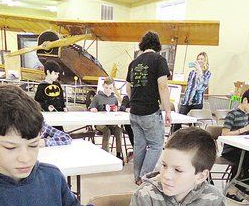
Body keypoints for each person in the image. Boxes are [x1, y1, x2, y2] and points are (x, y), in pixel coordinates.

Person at [126, 31, 172, 184]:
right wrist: (167, 111)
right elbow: (163, 86)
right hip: (150, 111)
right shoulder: (159, 60)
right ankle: (145, 179)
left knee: (139, 145)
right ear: (157, 45)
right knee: (156, 145)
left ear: (143, 45)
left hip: (134, 112)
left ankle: (137, 177)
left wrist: (134, 102)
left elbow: (128, 88)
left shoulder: (133, 63)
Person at [221, 87, 249, 204]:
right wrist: (244, 129)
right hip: (230, 151)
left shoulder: (246, 115)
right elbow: (224, 134)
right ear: (245, 101)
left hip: (243, 148)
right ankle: (232, 190)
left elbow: (244, 132)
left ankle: (246, 187)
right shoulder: (232, 114)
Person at [174, 51, 212, 131]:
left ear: (205, 61)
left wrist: (199, 72)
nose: (199, 61)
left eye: (202, 59)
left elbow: (201, 87)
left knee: (194, 124)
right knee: (178, 121)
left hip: (197, 102)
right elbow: (189, 86)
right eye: (198, 59)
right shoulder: (192, 73)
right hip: (187, 100)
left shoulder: (207, 73)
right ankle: (175, 136)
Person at [89, 77, 124, 159]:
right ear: (103, 86)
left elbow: (116, 108)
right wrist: (93, 109)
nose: (108, 90)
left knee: (119, 130)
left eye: (110, 88)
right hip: (100, 123)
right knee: (107, 131)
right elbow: (91, 107)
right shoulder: (97, 97)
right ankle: (105, 154)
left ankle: (119, 154)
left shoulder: (114, 98)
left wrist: (116, 110)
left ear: (113, 88)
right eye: (106, 88)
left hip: (111, 122)